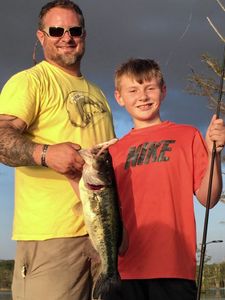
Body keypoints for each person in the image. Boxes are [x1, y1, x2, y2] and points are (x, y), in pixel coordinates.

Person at [0, 1, 115, 299]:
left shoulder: (99, 92)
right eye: (56, 30)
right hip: (51, 240)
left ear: (84, 35)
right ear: (41, 36)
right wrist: (45, 154)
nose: (67, 37)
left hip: (103, 239)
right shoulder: (30, 81)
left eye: (74, 30)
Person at [108, 58, 225, 300]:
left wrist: (215, 153)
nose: (143, 96)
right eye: (133, 90)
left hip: (175, 269)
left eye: (150, 88)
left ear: (163, 91)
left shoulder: (188, 135)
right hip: (123, 270)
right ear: (119, 97)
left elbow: (209, 198)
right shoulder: (113, 151)